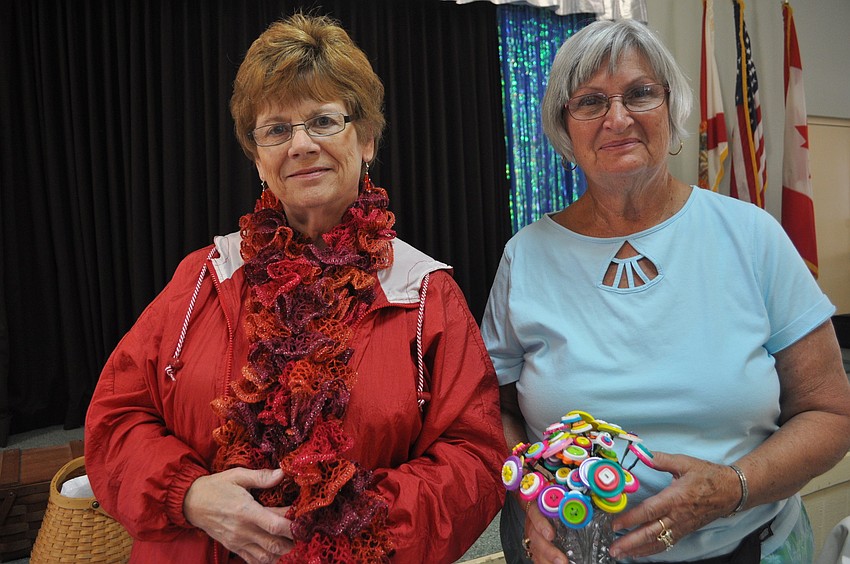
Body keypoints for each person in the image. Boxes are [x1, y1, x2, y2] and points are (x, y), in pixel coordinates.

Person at [85, 13, 505, 564]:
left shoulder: (425, 294)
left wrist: (350, 534)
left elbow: (474, 456)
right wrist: (186, 494)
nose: (301, 145)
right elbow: (116, 418)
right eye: (277, 129)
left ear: (368, 139)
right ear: (259, 158)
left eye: (324, 121)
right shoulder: (203, 277)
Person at [481, 18, 850, 564]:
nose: (618, 117)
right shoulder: (525, 256)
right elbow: (496, 409)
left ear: (671, 106)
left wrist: (733, 486)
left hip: (749, 549)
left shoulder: (750, 235)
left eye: (640, 93)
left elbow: (831, 413)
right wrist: (527, 500)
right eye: (590, 101)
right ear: (565, 126)